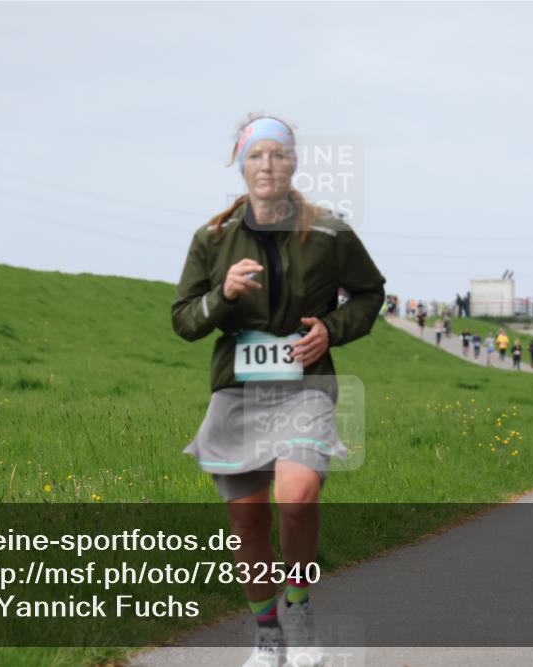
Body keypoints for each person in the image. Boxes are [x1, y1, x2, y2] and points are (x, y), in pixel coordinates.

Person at [172, 115, 385, 667]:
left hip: (304, 385)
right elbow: (184, 320)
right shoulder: (212, 239)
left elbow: (369, 293)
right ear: (240, 166)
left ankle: (300, 608)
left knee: (298, 494)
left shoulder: (330, 234)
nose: (266, 165)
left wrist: (330, 330)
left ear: (293, 162)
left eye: (277, 154)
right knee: (247, 519)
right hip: (236, 392)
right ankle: (267, 635)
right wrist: (222, 296)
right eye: (255, 155)